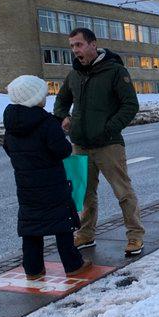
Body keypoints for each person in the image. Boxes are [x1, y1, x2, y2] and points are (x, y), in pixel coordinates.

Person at [53, 28, 145, 256]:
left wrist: (108, 128)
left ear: (93, 45)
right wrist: (63, 116)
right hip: (80, 144)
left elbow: (130, 105)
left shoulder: (115, 71)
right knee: (82, 193)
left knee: (123, 192)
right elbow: (61, 100)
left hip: (109, 145)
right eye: (72, 46)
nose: (75, 50)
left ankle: (135, 236)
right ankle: (85, 234)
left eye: (79, 45)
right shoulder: (74, 75)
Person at [3, 75, 92, 278]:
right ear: (34, 99)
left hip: (26, 186)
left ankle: (33, 269)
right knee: (62, 224)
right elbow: (63, 151)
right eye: (43, 94)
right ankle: (73, 264)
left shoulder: (11, 125)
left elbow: (9, 149)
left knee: (31, 228)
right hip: (52, 184)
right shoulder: (46, 123)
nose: (46, 98)